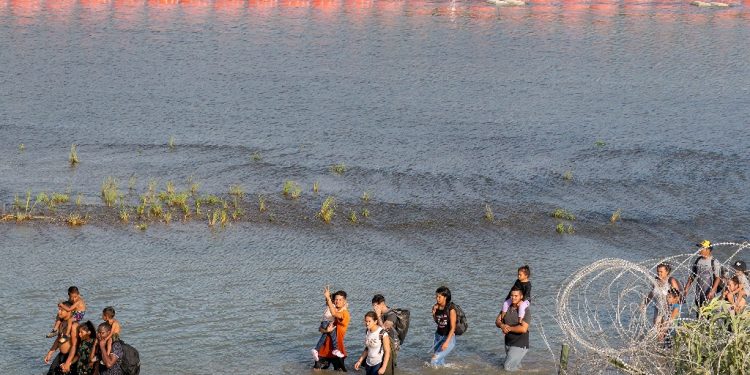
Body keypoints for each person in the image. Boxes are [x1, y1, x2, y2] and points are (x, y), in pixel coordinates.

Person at [313, 287, 350, 371]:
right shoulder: (329, 313)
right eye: (336, 299)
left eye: (340, 300)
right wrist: (327, 331)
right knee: (316, 371)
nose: (337, 301)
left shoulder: (345, 313)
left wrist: (328, 298)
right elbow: (320, 329)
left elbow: (334, 313)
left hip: (338, 350)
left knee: (340, 372)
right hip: (324, 350)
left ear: (344, 301)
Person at [684, 240, 722, 317]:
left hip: (709, 292)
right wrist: (686, 288)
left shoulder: (714, 262)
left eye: (702, 248)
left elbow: (718, 278)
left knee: (708, 314)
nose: (699, 250)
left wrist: (713, 290)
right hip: (699, 292)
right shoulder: (698, 261)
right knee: (699, 313)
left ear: (708, 250)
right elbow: (693, 275)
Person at [496, 286, 530, 371]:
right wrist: (502, 325)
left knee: (508, 367)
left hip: (520, 343)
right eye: (512, 295)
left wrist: (509, 328)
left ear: (521, 296)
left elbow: (524, 329)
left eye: (516, 296)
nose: (513, 298)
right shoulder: (507, 306)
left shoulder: (525, 310)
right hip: (508, 342)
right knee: (516, 367)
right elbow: (497, 321)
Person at [44, 302, 79, 375]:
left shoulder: (73, 326)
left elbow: (75, 346)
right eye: (58, 310)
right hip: (61, 354)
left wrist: (68, 362)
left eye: (61, 310)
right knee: (51, 372)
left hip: (71, 356)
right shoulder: (62, 323)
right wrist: (50, 353)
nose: (58, 312)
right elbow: (58, 339)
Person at [430, 286, 456, 367]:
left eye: (439, 297)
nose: (437, 298)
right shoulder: (436, 307)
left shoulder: (451, 309)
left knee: (434, 360)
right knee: (440, 362)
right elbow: (439, 322)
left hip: (449, 338)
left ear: (445, 297)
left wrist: (447, 342)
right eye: (436, 296)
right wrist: (433, 314)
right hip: (438, 336)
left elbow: (453, 328)